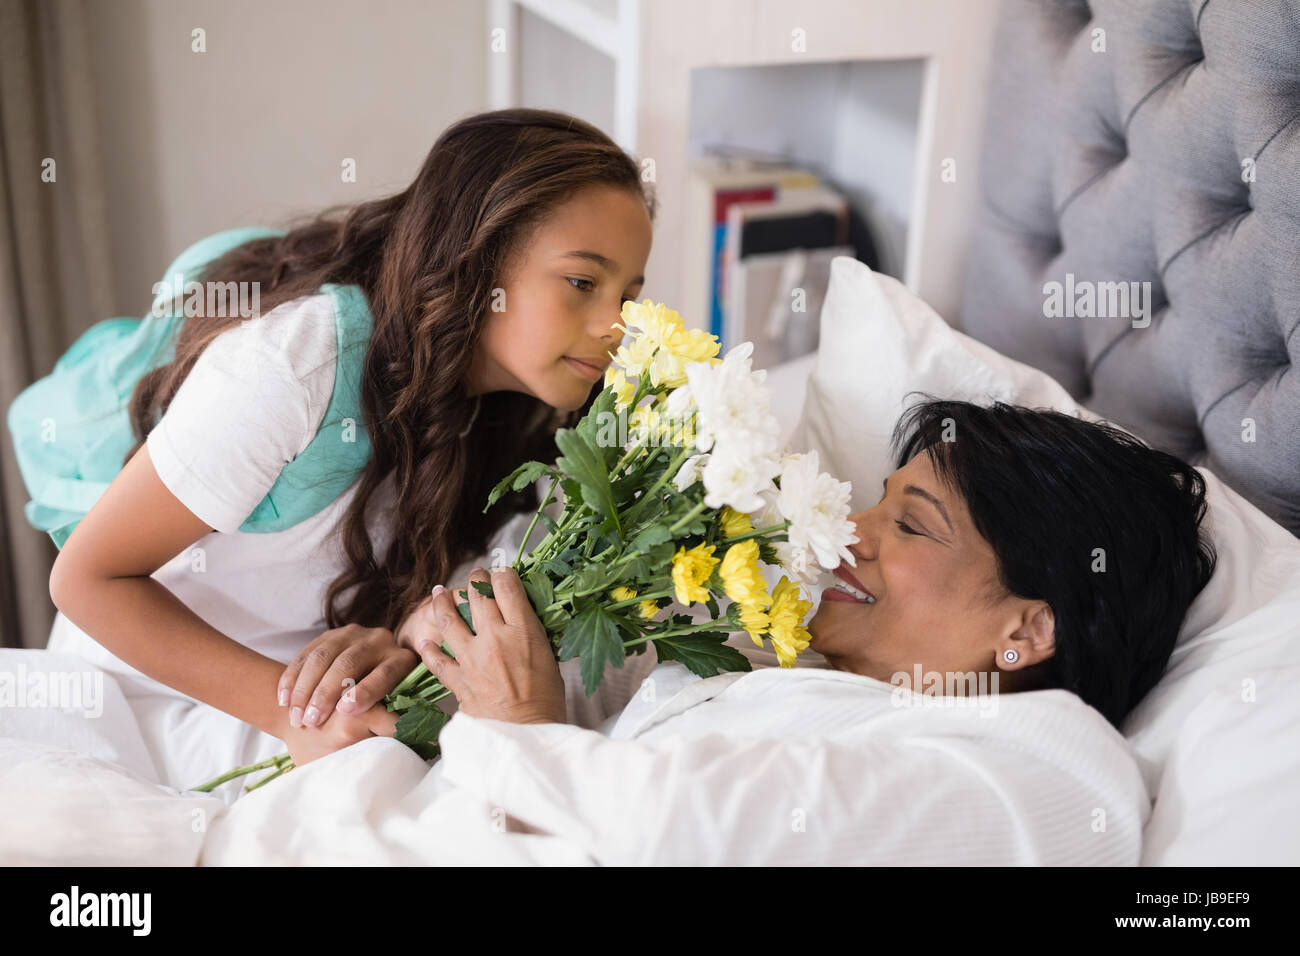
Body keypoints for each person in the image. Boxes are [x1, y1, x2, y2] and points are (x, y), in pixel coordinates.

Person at [40, 108, 654, 797]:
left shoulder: (519, 407)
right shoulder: (299, 365)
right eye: (582, 282)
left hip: (295, 676)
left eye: (630, 294)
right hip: (139, 691)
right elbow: (88, 579)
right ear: (479, 258)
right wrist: (286, 711)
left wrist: (392, 638)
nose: (616, 325)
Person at [392, 399, 1218, 864]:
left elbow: (687, 831)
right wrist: (425, 662)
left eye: (911, 527)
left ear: (1026, 631)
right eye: (878, 502)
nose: (852, 531)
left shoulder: (1049, 768)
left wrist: (520, 732)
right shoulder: (783, 663)